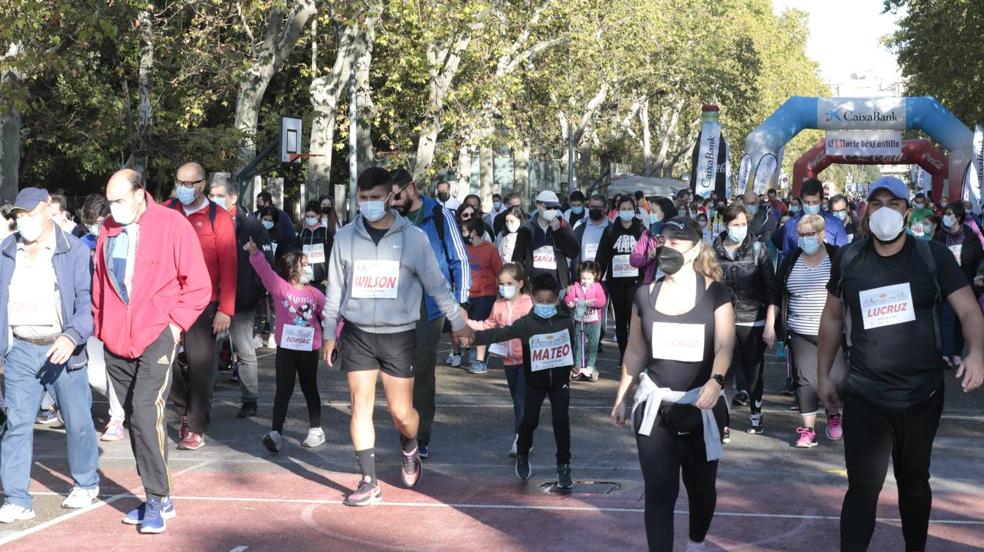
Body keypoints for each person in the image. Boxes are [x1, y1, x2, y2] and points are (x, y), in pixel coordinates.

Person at [817, 176, 984, 552]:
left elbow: (970, 311)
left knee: (913, 482)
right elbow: (830, 318)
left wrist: (977, 352)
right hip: (864, 394)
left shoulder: (932, 256)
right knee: (863, 486)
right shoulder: (849, 258)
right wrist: (822, 374)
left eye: (894, 203)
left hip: (920, 396)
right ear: (865, 210)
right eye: (876, 203)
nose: (884, 211)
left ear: (908, 211)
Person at [321, 167, 473, 506]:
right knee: (360, 405)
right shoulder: (345, 238)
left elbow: (437, 285)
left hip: (399, 335)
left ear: (391, 197)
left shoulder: (413, 238)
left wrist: (458, 320)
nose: (369, 204)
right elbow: (335, 290)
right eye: (363, 199)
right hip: (358, 333)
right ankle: (368, 480)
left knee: (401, 413)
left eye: (376, 198)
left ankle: (410, 444)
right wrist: (329, 332)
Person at [94, 169, 211, 533]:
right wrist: (101, 327)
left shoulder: (172, 225)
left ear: (140, 194)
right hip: (116, 338)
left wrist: (175, 326)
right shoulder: (107, 230)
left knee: (146, 413)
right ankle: (158, 496)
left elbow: (198, 284)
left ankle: (157, 498)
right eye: (109, 201)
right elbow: (101, 282)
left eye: (119, 200)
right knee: (135, 418)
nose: (113, 208)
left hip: (157, 333)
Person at [611, 216, 734, 552]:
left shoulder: (716, 294)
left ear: (695, 250)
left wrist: (716, 381)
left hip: (702, 406)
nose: (667, 247)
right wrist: (622, 395)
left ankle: (696, 544)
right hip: (654, 408)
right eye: (663, 240)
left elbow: (725, 344)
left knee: (701, 489)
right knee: (660, 490)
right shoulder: (644, 294)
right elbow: (635, 350)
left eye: (677, 242)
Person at [0, 188, 100, 524]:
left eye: (28, 214)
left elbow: (88, 305)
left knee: (78, 421)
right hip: (20, 350)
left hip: (62, 348)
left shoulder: (72, 251)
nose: (21, 221)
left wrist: (72, 337)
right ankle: (16, 497)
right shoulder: (6, 250)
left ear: (48, 211)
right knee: (16, 425)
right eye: (18, 215)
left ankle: (86, 483)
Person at [389, 168, 471, 457]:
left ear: (411, 188)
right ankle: (405, 423)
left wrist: (461, 303)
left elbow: (459, 259)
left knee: (422, 368)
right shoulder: (389, 219)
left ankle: (420, 435)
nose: (394, 202)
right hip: (396, 301)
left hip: (430, 303)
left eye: (397, 195)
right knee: (397, 369)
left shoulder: (438, 216)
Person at [470, 273, 576, 490]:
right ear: (533, 299)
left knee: (561, 422)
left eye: (549, 301)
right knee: (529, 421)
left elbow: (571, 346)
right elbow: (500, 334)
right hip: (535, 382)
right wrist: (472, 338)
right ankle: (523, 452)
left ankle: (564, 465)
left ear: (557, 299)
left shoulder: (566, 321)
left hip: (559, 381)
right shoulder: (526, 324)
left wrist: (572, 364)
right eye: (540, 301)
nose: (545, 305)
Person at [167, 162, 238, 451]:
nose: (184, 188)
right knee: (162, 363)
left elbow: (230, 265)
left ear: (202, 184)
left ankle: (195, 426)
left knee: (200, 367)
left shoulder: (217, 217)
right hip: (168, 301)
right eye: (179, 182)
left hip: (204, 303)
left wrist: (226, 308)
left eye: (190, 183)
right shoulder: (167, 211)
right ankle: (186, 408)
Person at [245, 240, 326, 451]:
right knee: (283, 389)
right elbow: (265, 272)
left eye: (308, 264)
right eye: (304, 264)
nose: (308, 268)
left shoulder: (315, 293)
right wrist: (255, 253)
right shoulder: (280, 288)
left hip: (309, 349)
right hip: (287, 349)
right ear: (292, 269)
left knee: (310, 388)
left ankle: (316, 429)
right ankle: (275, 432)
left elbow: (332, 314)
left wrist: (336, 337)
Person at [773, 214, 845, 448]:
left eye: (810, 234)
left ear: (822, 234)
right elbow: (777, 292)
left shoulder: (837, 257)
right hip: (800, 330)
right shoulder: (791, 259)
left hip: (831, 333)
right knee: (804, 380)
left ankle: (833, 415)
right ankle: (808, 430)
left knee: (835, 378)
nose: (805, 239)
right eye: (801, 235)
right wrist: (771, 324)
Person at [208, 177, 273, 418]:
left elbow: (266, 263)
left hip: (243, 299)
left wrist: (256, 290)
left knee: (245, 350)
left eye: (218, 195)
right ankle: (205, 398)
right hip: (213, 299)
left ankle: (250, 399)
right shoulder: (206, 221)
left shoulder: (252, 226)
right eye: (211, 194)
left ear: (232, 198)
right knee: (211, 350)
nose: (213, 199)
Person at [713, 204, 776, 436]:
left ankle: (756, 414)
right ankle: (724, 421)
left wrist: (770, 323)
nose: (739, 228)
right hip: (723, 322)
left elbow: (771, 290)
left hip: (753, 320)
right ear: (725, 225)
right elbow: (709, 288)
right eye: (735, 224)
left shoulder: (758, 249)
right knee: (723, 372)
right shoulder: (714, 251)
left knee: (753, 372)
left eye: (743, 224)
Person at [465, 263, 534, 456]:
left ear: (520, 283)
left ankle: (520, 439)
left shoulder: (529, 304)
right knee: (516, 400)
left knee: (520, 400)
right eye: (501, 284)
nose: (504, 288)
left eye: (509, 283)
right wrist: (466, 323)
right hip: (508, 360)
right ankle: (525, 433)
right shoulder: (498, 304)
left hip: (527, 360)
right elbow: (489, 325)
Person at [77, 193, 127, 441]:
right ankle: (129, 398)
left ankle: (116, 417)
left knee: (113, 368)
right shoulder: (83, 243)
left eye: (98, 221)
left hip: (116, 315)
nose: (94, 227)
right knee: (94, 373)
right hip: (90, 316)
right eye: (90, 223)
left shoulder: (122, 239)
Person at [594, 195, 644, 361]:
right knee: (620, 320)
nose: (627, 212)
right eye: (623, 209)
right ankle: (623, 355)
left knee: (633, 318)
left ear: (634, 210)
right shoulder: (610, 231)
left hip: (636, 281)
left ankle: (635, 355)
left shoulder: (641, 230)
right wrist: (596, 278)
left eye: (630, 209)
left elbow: (648, 254)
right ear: (618, 210)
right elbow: (601, 257)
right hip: (616, 282)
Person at [935, 202, 984, 368]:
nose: (946, 217)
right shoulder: (941, 236)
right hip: (946, 284)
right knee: (947, 318)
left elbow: (980, 260)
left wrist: (979, 275)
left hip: (966, 283)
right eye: (946, 213)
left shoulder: (970, 237)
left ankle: (957, 352)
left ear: (959, 217)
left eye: (950, 214)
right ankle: (946, 354)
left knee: (960, 320)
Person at [512, 190, 579, 294]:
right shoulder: (526, 229)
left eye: (555, 208)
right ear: (539, 206)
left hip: (558, 284)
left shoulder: (563, 225)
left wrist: (559, 232)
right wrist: (523, 282)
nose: (552, 210)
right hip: (533, 285)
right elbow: (517, 258)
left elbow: (573, 253)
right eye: (548, 207)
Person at [460, 216, 502, 374]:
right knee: (469, 326)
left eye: (464, 231)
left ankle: (480, 360)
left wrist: (501, 293)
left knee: (482, 328)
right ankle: (473, 354)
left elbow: (500, 271)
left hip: (486, 294)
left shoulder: (490, 249)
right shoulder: (463, 248)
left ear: (474, 232)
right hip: (467, 295)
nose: (462, 234)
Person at [777, 179, 848, 261]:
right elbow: (785, 257)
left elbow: (843, 256)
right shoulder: (790, 225)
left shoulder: (835, 224)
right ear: (801, 200)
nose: (810, 206)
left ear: (821, 201)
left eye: (815, 202)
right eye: (807, 202)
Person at [564, 261, 606, 381]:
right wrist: (570, 302)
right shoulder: (576, 286)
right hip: (580, 320)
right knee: (578, 344)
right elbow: (568, 298)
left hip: (594, 321)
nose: (585, 281)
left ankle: (590, 366)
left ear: (595, 276)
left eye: (589, 278)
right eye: (583, 278)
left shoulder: (597, 286)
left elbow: (602, 301)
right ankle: (578, 367)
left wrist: (590, 303)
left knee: (593, 344)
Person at [631, 196, 677, 285]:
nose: (650, 214)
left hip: (673, 283)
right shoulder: (647, 234)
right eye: (650, 211)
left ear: (665, 213)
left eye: (654, 211)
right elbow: (633, 259)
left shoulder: (678, 234)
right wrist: (647, 257)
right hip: (651, 284)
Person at [294, 200, 334, 294]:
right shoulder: (302, 233)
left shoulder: (325, 233)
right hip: (304, 279)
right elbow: (296, 255)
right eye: (307, 216)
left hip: (322, 281)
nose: (310, 219)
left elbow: (332, 257)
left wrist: (328, 278)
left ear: (318, 216)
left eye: (312, 217)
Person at [571, 193, 610, 266]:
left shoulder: (612, 226)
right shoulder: (579, 225)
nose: (594, 209)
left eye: (598, 207)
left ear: (605, 208)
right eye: (592, 207)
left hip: (606, 274)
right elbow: (574, 253)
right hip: (584, 273)